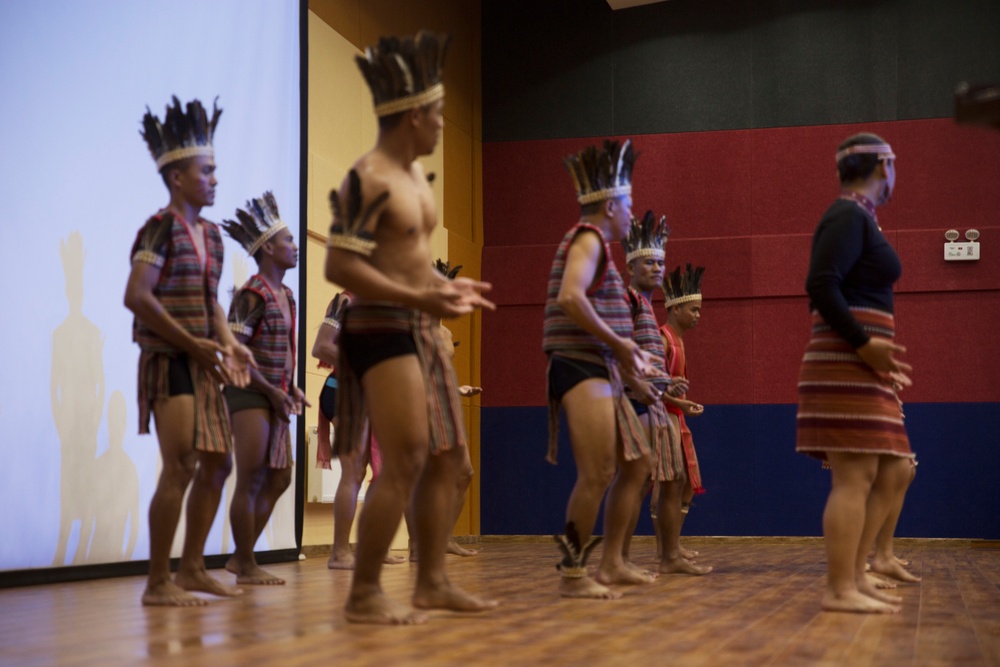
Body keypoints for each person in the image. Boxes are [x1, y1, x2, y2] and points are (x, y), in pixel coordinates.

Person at [323, 31, 498, 625]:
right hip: (381, 328)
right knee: (404, 461)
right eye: (441, 114)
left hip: (421, 330)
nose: (445, 124)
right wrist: (420, 294)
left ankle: (430, 582)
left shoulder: (417, 179)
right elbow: (338, 266)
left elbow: (411, 262)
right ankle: (364, 590)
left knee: (453, 463)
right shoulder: (365, 176)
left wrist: (445, 292)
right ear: (415, 114)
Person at [125, 96, 254, 606]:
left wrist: (227, 344)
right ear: (178, 177)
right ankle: (158, 581)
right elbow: (137, 295)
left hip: (202, 362)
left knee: (218, 464)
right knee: (179, 464)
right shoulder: (159, 227)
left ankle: (192, 568)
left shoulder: (215, 237)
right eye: (207, 171)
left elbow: (210, 305)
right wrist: (193, 345)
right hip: (169, 361)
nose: (216, 179)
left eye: (216, 171)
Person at [797, 133, 915, 614]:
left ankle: (857, 574)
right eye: (894, 166)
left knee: (890, 467)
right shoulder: (846, 214)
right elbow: (820, 285)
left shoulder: (861, 217)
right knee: (855, 474)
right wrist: (865, 343)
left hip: (859, 363)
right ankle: (839, 588)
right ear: (882, 165)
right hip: (844, 360)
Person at [543, 139, 664, 599]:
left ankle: (612, 563)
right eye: (629, 204)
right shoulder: (587, 238)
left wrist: (632, 371)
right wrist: (622, 345)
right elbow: (571, 297)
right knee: (596, 472)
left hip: (601, 368)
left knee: (637, 463)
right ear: (611, 204)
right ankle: (573, 573)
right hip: (579, 366)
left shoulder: (602, 250)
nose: (633, 214)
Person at [220, 193, 307, 585]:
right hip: (249, 394)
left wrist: (292, 388)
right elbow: (235, 355)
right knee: (252, 477)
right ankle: (246, 562)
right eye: (289, 241)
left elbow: (284, 352)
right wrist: (271, 391)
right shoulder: (251, 293)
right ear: (268, 248)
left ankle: (241, 559)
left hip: (274, 397)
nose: (295, 247)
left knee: (280, 479)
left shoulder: (287, 295)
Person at [619, 213, 708, 577]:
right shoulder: (626, 302)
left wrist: (667, 387)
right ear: (631, 265)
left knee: (668, 483)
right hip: (635, 408)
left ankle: (668, 556)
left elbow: (644, 363)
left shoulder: (644, 306)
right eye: (648, 261)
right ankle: (617, 559)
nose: (656, 267)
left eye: (660, 262)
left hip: (655, 408)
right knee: (634, 483)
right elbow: (617, 354)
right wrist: (644, 388)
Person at [312, 292, 406, 569]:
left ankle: (374, 548)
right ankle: (339, 552)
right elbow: (321, 347)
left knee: (375, 473)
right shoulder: (346, 300)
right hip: (343, 392)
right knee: (352, 473)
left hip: (367, 395)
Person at [658, 264, 710, 568]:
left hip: (677, 416)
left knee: (686, 484)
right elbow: (650, 386)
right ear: (675, 308)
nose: (698, 315)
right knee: (666, 485)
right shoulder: (663, 339)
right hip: (662, 418)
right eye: (693, 309)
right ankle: (665, 553)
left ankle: (672, 547)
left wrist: (684, 406)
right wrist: (677, 402)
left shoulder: (679, 341)